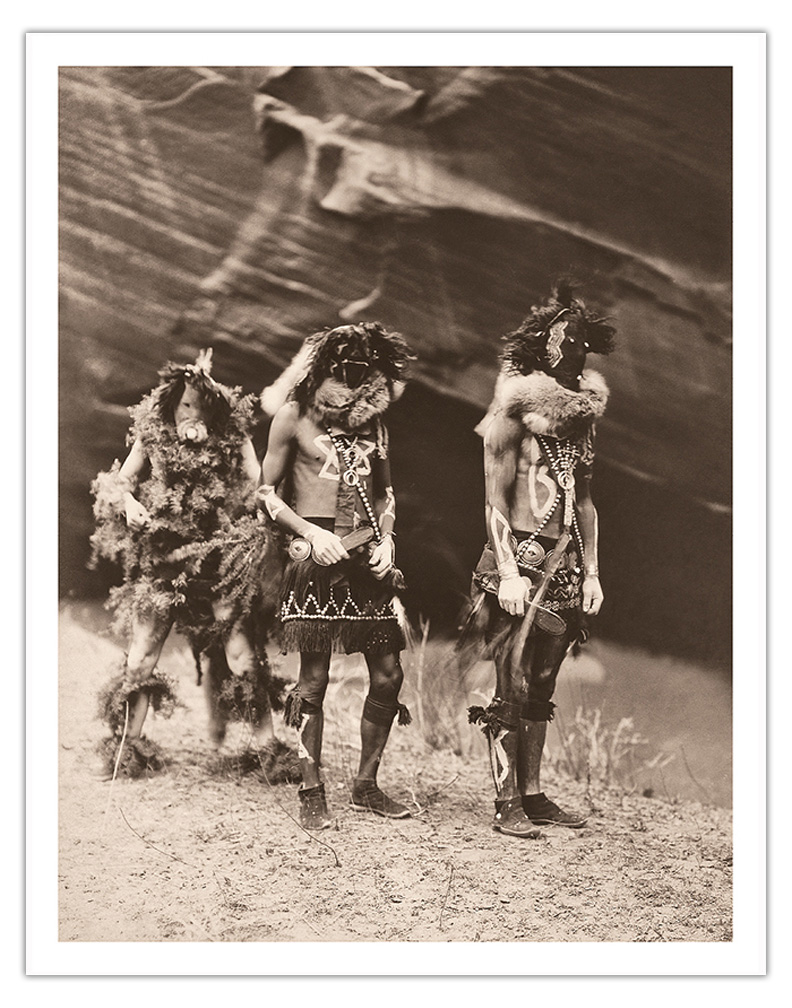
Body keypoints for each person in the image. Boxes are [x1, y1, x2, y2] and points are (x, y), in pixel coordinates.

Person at [466, 279, 616, 837]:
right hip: (519, 564)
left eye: (581, 344)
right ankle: (505, 800)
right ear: (542, 350)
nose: (574, 351)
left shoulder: (583, 423)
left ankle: (532, 794)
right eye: (564, 342)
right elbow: (495, 500)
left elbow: (585, 501)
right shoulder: (509, 418)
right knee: (512, 684)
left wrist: (593, 572)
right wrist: (507, 571)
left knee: (544, 682)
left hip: (565, 566)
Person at [90, 350, 280, 777]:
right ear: (173, 404)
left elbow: (258, 481)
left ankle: (269, 750)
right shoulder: (152, 434)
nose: (194, 415)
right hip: (162, 559)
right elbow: (119, 482)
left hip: (217, 559)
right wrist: (130, 504)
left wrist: (262, 513)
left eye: (202, 407)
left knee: (241, 655)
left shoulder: (233, 435)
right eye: (187, 405)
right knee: (141, 655)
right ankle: (127, 749)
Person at [257, 322, 413, 829]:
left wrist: (388, 539)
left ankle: (366, 785)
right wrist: (309, 532)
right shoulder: (293, 416)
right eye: (345, 367)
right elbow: (265, 493)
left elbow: (385, 493)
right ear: (325, 367)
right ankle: (311, 790)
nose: (354, 376)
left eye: (363, 368)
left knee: (389, 674)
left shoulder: (375, 424)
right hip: (316, 560)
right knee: (314, 679)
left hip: (367, 558)